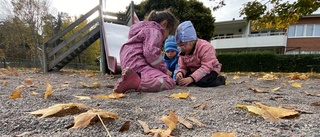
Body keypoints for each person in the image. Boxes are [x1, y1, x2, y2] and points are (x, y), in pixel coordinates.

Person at [113, 9, 179, 93]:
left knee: (153, 74)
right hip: (138, 64)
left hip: (128, 63)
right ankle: (137, 82)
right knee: (169, 82)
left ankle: (133, 78)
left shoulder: (141, 30)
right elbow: (151, 53)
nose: (166, 37)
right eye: (168, 32)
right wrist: (164, 69)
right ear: (164, 24)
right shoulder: (156, 31)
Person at [175, 21, 226, 87]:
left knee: (203, 82)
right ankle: (194, 79)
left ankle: (221, 79)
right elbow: (182, 66)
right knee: (180, 81)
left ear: (191, 41)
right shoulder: (183, 53)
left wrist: (191, 78)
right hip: (195, 71)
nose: (181, 49)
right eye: (179, 46)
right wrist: (180, 73)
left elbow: (206, 67)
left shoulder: (205, 47)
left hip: (210, 69)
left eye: (182, 45)